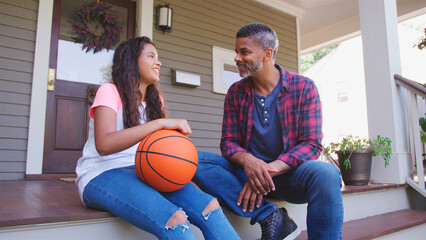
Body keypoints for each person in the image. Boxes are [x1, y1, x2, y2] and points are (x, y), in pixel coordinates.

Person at [75, 36, 240, 240]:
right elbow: (104, 144)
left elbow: (160, 147)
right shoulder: (110, 91)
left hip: (146, 169)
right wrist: (159, 124)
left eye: (158, 57)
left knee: (210, 207)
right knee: (175, 221)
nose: (158, 62)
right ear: (131, 60)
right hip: (102, 173)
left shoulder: (155, 101)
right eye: (151, 56)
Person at [193, 23, 343, 240]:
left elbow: (311, 143)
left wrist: (266, 171)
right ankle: (270, 215)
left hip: (289, 175)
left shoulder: (304, 87)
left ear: (267, 54)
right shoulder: (236, 92)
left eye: (244, 52)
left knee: (327, 174)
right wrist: (249, 162)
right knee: (194, 160)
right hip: (244, 173)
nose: (236, 58)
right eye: (236, 52)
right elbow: (228, 143)